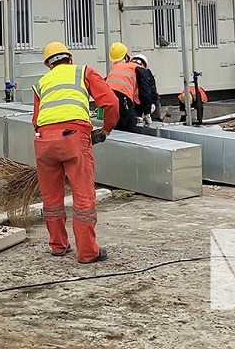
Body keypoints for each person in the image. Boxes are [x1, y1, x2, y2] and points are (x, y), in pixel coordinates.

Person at [31, 41, 119, 264]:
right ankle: (88, 252)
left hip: (43, 142)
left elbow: (35, 121)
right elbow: (111, 103)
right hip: (74, 138)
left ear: (48, 65)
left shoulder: (41, 83)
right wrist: (106, 130)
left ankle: (58, 246)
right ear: (69, 58)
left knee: (51, 198)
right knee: (83, 197)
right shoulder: (83, 71)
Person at [104, 42, 142, 132]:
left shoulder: (135, 67)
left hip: (130, 100)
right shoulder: (120, 68)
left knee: (123, 123)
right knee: (124, 123)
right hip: (125, 99)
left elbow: (143, 89)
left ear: (125, 56)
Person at [131, 53, 162, 125]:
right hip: (138, 101)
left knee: (155, 121)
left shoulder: (145, 73)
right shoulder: (140, 71)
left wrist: (149, 107)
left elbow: (149, 90)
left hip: (148, 99)